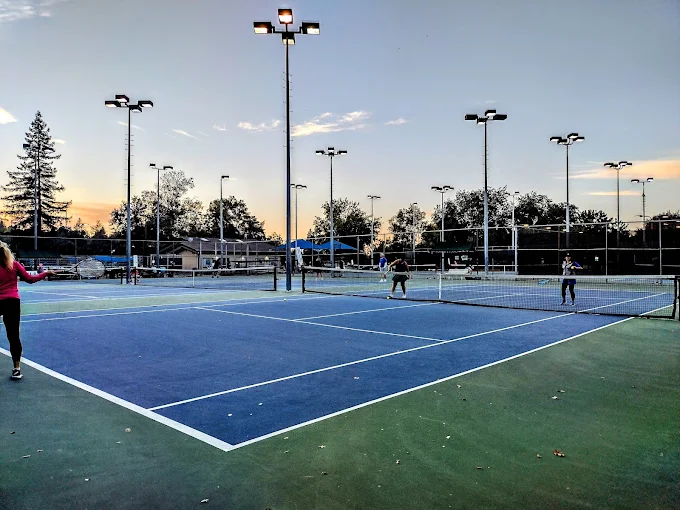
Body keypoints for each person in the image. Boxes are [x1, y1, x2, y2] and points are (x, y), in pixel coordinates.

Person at [0, 242, 55, 380]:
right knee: (13, 336)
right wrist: (45, 273)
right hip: (12, 302)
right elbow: (30, 279)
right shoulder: (15, 265)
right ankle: (17, 369)